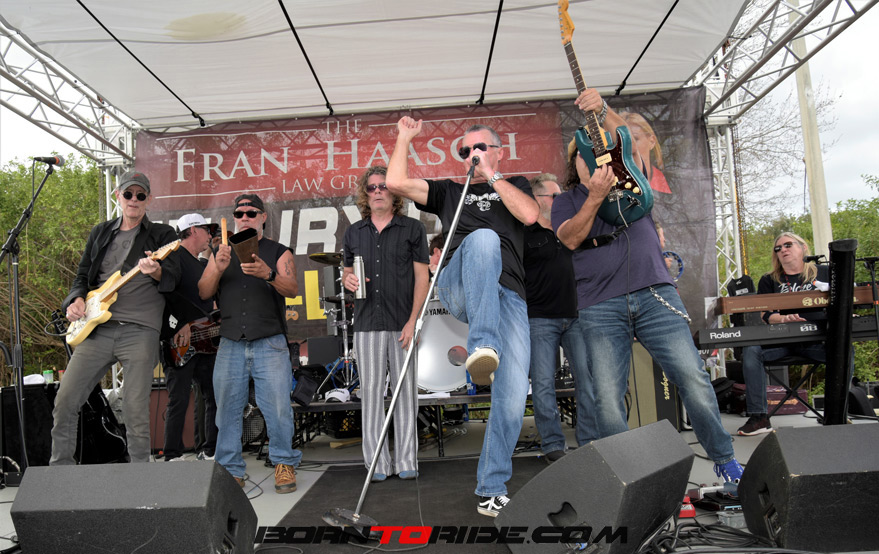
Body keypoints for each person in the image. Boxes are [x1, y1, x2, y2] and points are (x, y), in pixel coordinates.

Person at [552, 88, 743, 487]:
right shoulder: (566, 201)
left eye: (599, 152)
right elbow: (569, 238)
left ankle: (726, 462)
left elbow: (626, 136)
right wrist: (594, 197)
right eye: (585, 156)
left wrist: (604, 108)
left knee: (692, 377)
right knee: (607, 398)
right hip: (599, 305)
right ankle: (629, 480)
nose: (594, 159)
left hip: (654, 293)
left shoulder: (632, 176)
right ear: (575, 163)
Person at [387, 117, 539, 517]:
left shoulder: (515, 185)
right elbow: (395, 183)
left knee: (512, 398)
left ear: (498, 152)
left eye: (480, 148)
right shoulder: (449, 192)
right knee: (484, 239)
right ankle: (483, 345)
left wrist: (492, 176)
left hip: (509, 298)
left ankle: (492, 487)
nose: (471, 155)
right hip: (462, 286)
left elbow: (529, 215)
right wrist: (404, 137)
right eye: (465, 151)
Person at [54, 170, 178, 465]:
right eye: (128, 194)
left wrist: (156, 271)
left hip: (141, 330)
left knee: (135, 409)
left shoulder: (163, 235)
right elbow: (82, 276)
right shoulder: (100, 232)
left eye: (140, 195)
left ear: (149, 199)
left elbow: (175, 279)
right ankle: (59, 471)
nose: (134, 199)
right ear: (117, 196)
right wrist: (76, 300)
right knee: (65, 400)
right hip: (96, 329)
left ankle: (139, 477)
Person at [198, 193, 301, 493]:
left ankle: (284, 463)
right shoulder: (220, 252)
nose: (245, 217)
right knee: (226, 411)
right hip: (230, 342)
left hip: (270, 342)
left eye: (251, 213)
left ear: (263, 217)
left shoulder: (278, 251)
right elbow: (203, 292)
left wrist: (268, 274)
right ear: (233, 218)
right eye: (239, 213)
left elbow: (292, 289)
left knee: (278, 408)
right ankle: (230, 470)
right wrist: (218, 267)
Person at [342, 165, 429, 481]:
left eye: (384, 187)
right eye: (372, 187)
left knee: (406, 392)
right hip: (367, 324)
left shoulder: (413, 229)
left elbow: (422, 278)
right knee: (371, 394)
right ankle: (377, 464)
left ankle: (406, 461)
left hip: (403, 322)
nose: (378, 191)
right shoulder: (353, 232)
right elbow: (346, 273)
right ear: (365, 195)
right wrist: (348, 280)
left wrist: (413, 321)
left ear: (394, 194)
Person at [524, 173, 599, 463]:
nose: (560, 200)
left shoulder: (570, 229)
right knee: (543, 383)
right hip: (539, 318)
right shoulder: (523, 233)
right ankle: (553, 444)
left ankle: (589, 440)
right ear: (536, 199)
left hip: (575, 316)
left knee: (587, 380)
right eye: (554, 196)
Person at [737, 232, 829, 436]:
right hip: (783, 341)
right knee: (752, 350)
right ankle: (759, 417)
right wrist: (784, 319)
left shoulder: (824, 272)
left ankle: (837, 410)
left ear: (803, 247)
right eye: (778, 248)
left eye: (788, 245)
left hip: (815, 341)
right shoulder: (769, 280)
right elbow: (766, 315)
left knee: (844, 348)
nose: (783, 250)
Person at [160, 213, 220, 461]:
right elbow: (165, 293)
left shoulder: (201, 264)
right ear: (193, 230)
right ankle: (172, 454)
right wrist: (180, 323)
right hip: (179, 341)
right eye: (207, 230)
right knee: (179, 398)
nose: (210, 235)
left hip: (205, 342)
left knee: (213, 396)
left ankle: (209, 450)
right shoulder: (173, 257)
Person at [619, 111, 671, 194]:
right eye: (621, 142)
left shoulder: (671, 182)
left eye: (635, 139)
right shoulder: (608, 184)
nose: (629, 147)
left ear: (652, 142)